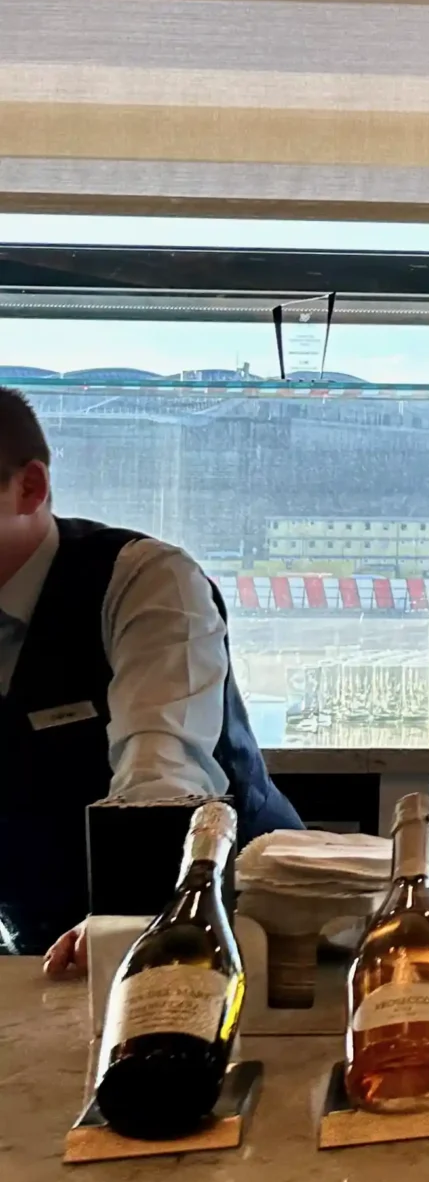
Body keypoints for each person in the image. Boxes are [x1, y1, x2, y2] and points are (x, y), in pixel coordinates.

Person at [0, 387, 302, 975]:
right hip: (41, 942)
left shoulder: (144, 580)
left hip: (233, 928)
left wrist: (128, 909)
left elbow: (160, 764)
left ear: (29, 488)